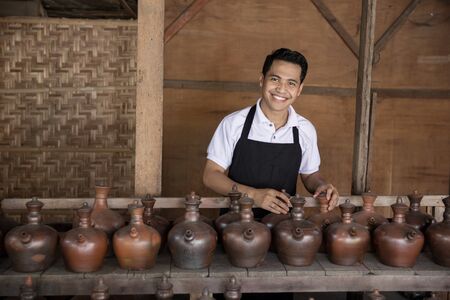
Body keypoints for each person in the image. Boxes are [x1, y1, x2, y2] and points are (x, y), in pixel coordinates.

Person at [203, 48, 339, 217]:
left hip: (284, 227)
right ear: (262, 80)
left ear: (299, 89)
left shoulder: (305, 129)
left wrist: (322, 185)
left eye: (291, 83)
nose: (281, 89)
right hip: (235, 226)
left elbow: (310, 174)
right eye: (275, 79)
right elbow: (211, 175)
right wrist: (253, 195)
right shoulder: (234, 123)